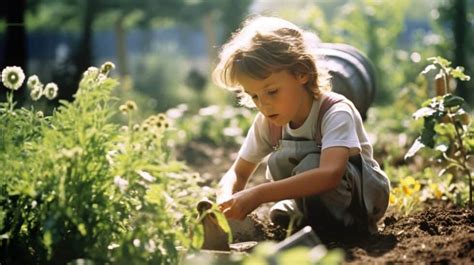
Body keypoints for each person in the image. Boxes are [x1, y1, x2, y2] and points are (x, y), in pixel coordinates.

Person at [212, 16, 390, 235]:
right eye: (254, 96)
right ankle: (306, 214)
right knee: (278, 161)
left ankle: (347, 227)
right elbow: (238, 173)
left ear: (301, 73)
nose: (263, 104)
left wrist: (258, 194)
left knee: (311, 165)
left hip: (361, 200)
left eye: (272, 91)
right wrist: (226, 202)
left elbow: (330, 173)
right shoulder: (268, 123)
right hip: (321, 199)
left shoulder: (334, 111)